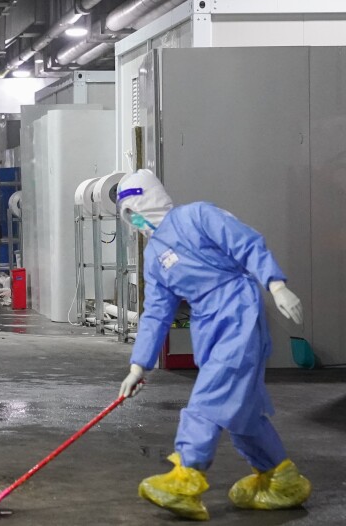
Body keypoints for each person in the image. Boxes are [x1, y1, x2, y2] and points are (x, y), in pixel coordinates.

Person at [116, 170, 311, 520]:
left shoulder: (197, 216)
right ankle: (282, 480)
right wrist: (138, 365)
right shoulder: (155, 257)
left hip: (239, 314)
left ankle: (186, 478)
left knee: (209, 398)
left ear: (150, 200)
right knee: (242, 412)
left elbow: (246, 242)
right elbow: (156, 313)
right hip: (208, 324)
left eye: (135, 209)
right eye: (128, 215)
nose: (136, 221)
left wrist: (276, 284)